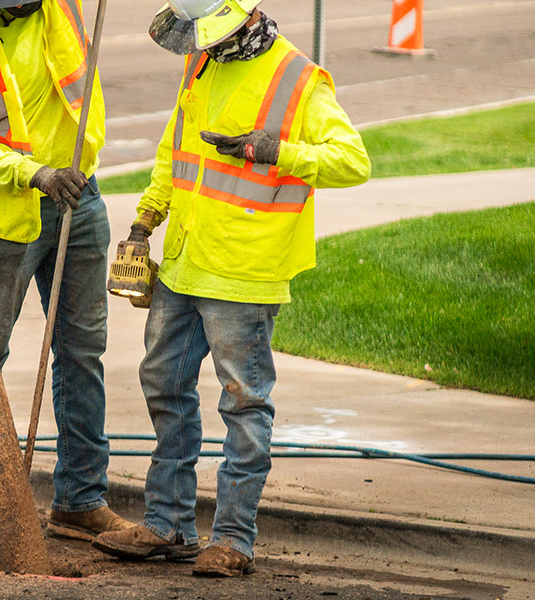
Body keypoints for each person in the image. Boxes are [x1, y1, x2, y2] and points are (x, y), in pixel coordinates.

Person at [90, 0, 370, 577]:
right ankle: (167, 525)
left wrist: (272, 150)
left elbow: (353, 161)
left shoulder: (300, 79)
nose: (203, 44)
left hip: (245, 272)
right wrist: (146, 220)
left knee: (243, 405)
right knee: (164, 386)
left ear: (244, 18)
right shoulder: (202, 64)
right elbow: (176, 152)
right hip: (184, 264)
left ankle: (233, 539)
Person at [0, 0, 132, 545]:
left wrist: (63, 175)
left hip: (79, 195)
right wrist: (34, 173)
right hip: (5, 216)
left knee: (82, 350)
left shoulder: (64, 7)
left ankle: (80, 500)